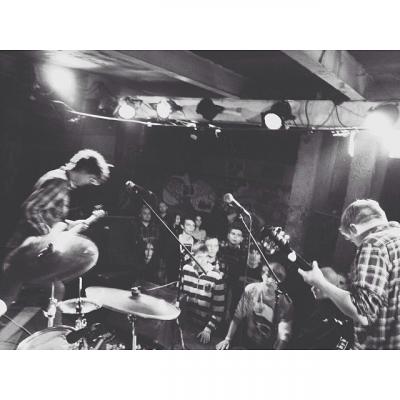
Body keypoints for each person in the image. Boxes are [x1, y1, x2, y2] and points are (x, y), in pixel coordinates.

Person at [1, 149, 111, 313]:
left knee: (53, 290)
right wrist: (48, 237)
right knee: (11, 297)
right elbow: (30, 208)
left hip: (26, 250)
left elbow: (47, 214)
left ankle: (46, 324)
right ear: (83, 170)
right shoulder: (59, 183)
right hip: (23, 251)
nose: (89, 183)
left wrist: (69, 224)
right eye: (91, 179)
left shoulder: (57, 177)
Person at [298, 199, 400, 349]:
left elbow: (363, 314)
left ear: (353, 229)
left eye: (351, 240)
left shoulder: (373, 245)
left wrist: (321, 283)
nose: (355, 245)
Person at [216, 262, 293, 350]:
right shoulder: (251, 289)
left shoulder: (285, 302)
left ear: (281, 281)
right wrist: (227, 339)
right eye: (268, 275)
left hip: (268, 347)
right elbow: (238, 316)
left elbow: (284, 334)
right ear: (262, 274)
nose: (270, 280)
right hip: (247, 341)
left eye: (275, 278)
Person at [179, 242, 225, 344]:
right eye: (199, 257)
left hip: (204, 327)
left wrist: (208, 329)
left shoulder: (216, 277)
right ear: (192, 256)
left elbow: (219, 310)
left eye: (206, 257)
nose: (203, 261)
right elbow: (180, 296)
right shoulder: (186, 269)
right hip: (186, 323)